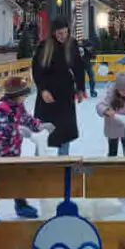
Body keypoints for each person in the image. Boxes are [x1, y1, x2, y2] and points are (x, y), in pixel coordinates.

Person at [0, 76, 52, 219]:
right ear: (15, 95)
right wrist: (19, 130)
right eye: (23, 95)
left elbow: (27, 119)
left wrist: (40, 125)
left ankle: (21, 205)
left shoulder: (18, 106)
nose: (25, 98)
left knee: (18, 178)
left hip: (14, 151)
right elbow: (1, 128)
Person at [32, 17, 87, 155]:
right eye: (59, 33)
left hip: (65, 95)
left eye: (65, 32)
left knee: (65, 130)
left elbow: (78, 67)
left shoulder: (71, 44)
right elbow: (37, 70)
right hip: (48, 96)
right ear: (53, 33)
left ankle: (63, 160)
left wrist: (80, 88)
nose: (63, 36)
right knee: (44, 130)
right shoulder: (45, 46)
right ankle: (39, 160)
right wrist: (43, 90)